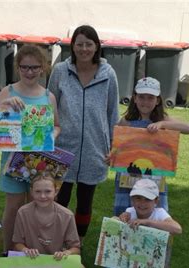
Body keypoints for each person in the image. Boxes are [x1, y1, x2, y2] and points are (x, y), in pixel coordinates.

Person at [48, 25, 119, 244]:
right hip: (63, 146)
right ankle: (56, 240)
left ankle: (77, 243)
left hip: (94, 148)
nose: (84, 49)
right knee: (59, 198)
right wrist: (46, 138)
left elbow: (112, 112)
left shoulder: (108, 74)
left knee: (85, 201)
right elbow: (50, 106)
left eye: (89, 44)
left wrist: (114, 146)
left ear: (97, 46)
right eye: (79, 44)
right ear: (73, 46)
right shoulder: (60, 71)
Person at [0, 45, 61, 252]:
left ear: (43, 68)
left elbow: (57, 125)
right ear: (18, 68)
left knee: (38, 207)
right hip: (12, 160)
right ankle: (8, 251)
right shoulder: (9, 91)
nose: (29, 72)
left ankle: (34, 251)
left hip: (39, 161)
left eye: (34, 67)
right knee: (13, 208)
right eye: (25, 67)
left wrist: (52, 135)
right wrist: (5, 105)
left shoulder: (48, 96)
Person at [113, 77, 189, 216]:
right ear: (135, 98)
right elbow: (118, 146)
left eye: (150, 98)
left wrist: (163, 124)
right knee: (126, 212)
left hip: (154, 177)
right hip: (128, 177)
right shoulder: (126, 121)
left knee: (154, 212)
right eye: (142, 97)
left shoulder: (162, 119)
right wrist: (113, 156)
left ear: (157, 100)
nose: (145, 102)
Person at [101, 179, 182, 268]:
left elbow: (177, 229)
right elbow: (112, 230)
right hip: (128, 263)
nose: (142, 203)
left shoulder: (160, 213)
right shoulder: (129, 211)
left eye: (147, 199)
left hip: (150, 266)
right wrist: (118, 219)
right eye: (138, 198)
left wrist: (148, 222)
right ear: (132, 199)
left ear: (156, 201)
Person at [12, 173, 86, 268]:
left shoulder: (67, 215)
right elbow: (17, 243)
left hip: (56, 261)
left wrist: (66, 253)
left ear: (56, 191)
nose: (43, 196)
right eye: (38, 192)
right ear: (31, 192)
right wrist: (26, 250)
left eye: (48, 191)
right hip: (31, 260)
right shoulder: (23, 212)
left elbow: (76, 248)